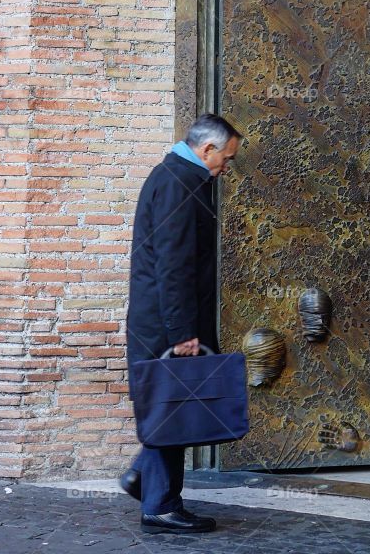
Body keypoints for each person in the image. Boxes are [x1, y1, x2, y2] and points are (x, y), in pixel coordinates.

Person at [119, 114, 241, 534]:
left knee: (172, 404)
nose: (226, 167)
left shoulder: (178, 177)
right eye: (226, 158)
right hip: (165, 324)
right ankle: (161, 504)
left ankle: (143, 479)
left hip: (164, 320)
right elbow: (173, 268)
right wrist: (182, 333)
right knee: (172, 405)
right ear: (207, 150)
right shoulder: (178, 183)